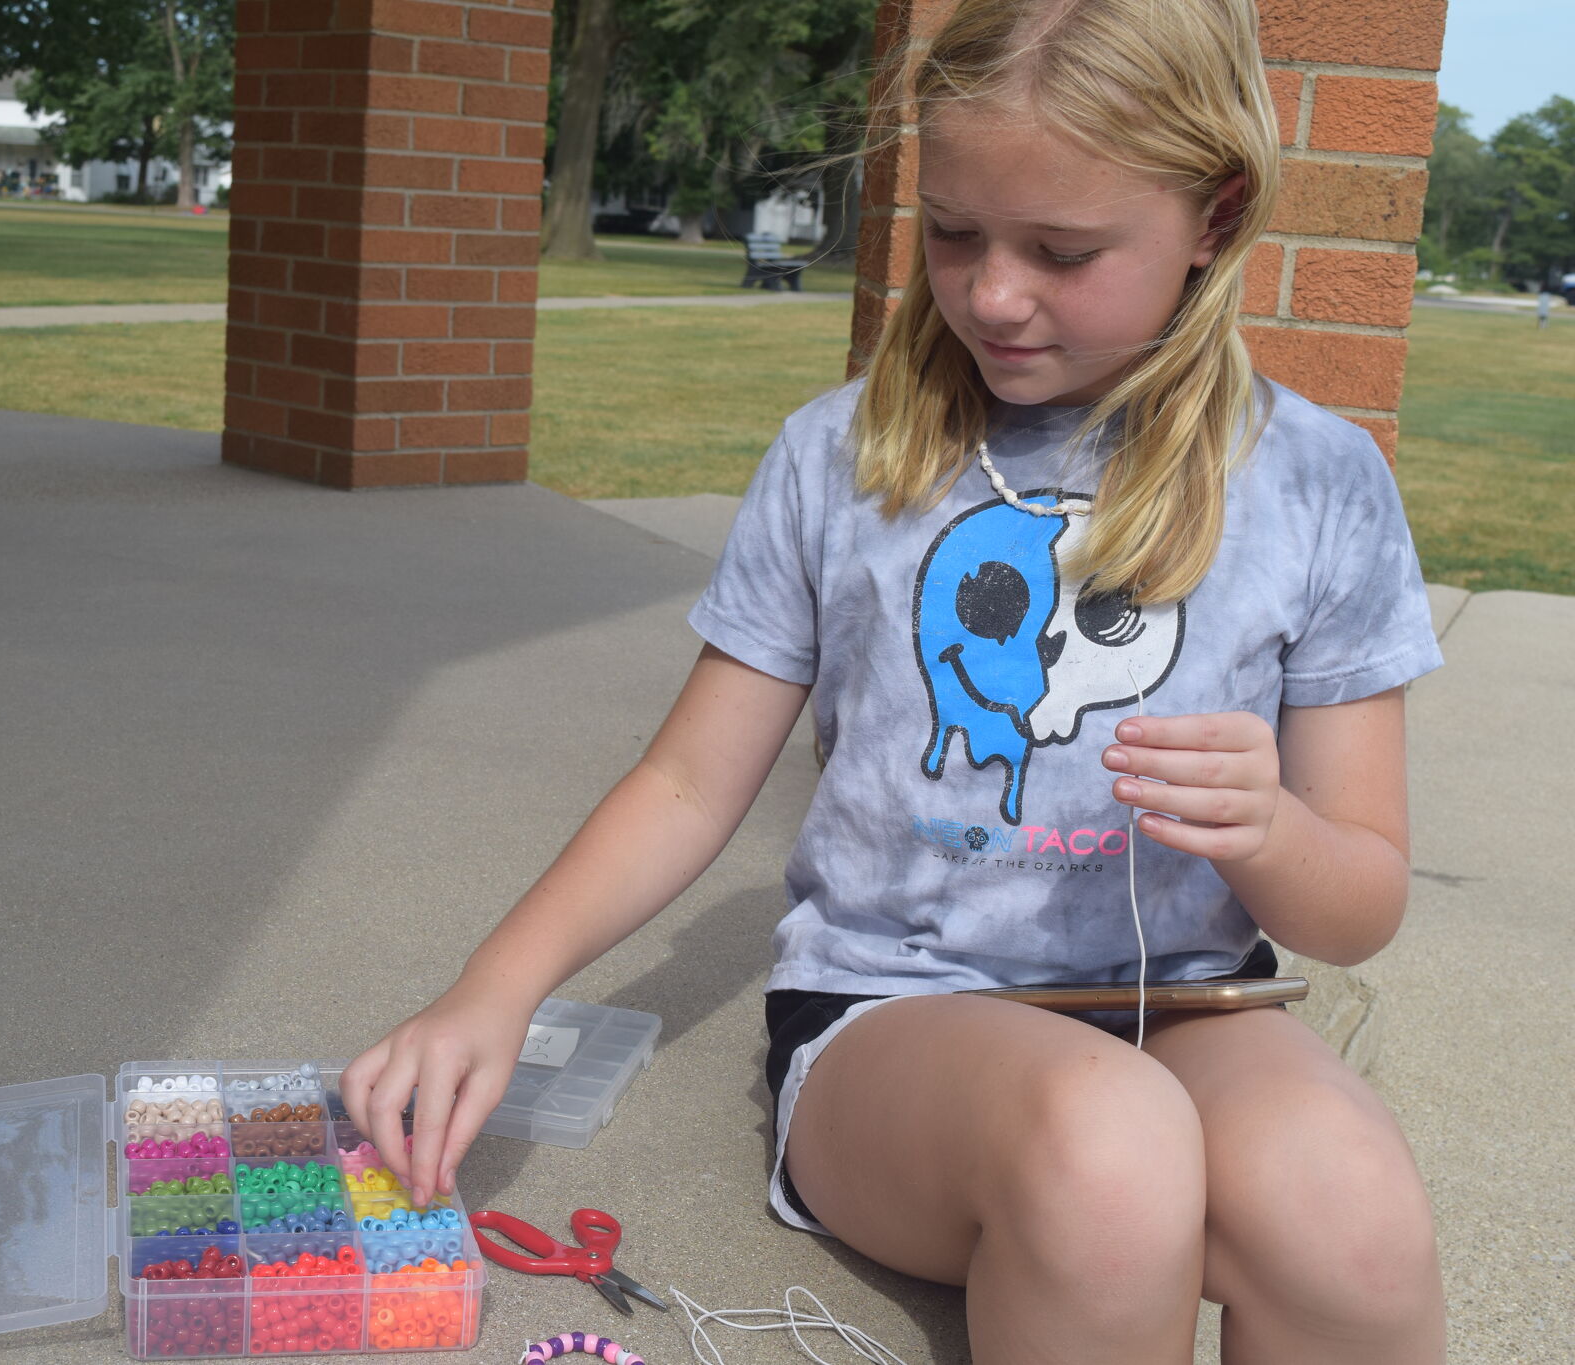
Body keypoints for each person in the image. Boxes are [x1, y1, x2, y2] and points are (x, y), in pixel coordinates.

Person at [341, 0, 1447, 1359]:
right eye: (957, 230)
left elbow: (1364, 897)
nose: (991, 291)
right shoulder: (845, 456)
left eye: (1062, 249)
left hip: (1187, 1007)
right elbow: (689, 779)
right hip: (895, 1019)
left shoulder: (1322, 487)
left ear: (1213, 215)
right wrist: (493, 987)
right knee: (1113, 1156)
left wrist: (1276, 832)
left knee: (1357, 1213)